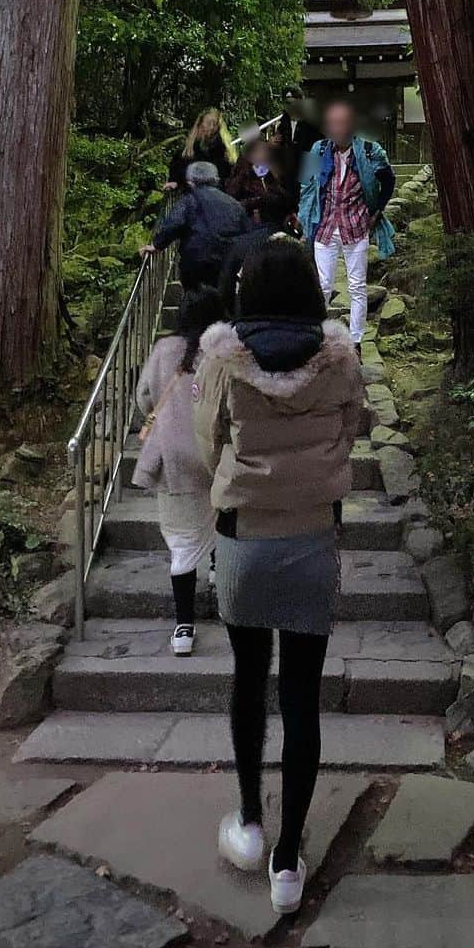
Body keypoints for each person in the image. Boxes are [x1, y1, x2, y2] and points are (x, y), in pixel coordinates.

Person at [192, 237, 363, 914]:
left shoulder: (222, 359)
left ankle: (248, 820)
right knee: (300, 696)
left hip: (244, 536)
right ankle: (288, 863)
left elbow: (209, 444)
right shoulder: (341, 359)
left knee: (246, 681)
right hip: (313, 534)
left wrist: (244, 478)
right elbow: (350, 433)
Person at [132, 286, 224, 656]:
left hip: (172, 461)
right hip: (215, 456)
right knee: (224, 519)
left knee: (182, 546)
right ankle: (221, 572)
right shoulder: (223, 353)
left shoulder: (162, 351)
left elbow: (143, 399)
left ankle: (184, 628)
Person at [298, 99, 396, 351]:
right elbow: (304, 184)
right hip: (326, 224)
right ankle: (316, 337)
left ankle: (356, 340)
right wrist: (303, 214)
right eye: (332, 124)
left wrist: (377, 210)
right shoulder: (318, 149)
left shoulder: (370, 150)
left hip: (356, 224)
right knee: (322, 284)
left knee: (356, 286)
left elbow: (388, 179)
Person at [142, 160, 250, 289]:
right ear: (215, 180)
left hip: (195, 259)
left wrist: (156, 245)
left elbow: (174, 224)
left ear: (190, 182)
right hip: (227, 260)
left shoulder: (189, 200)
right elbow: (246, 231)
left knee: (195, 295)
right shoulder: (234, 204)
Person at [218, 190, 298, 316]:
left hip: (247, 322)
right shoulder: (299, 249)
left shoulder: (239, 245)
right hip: (292, 323)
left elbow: (225, 291)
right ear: (289, 217)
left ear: (258, 215)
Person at [166, 108, 236, 191]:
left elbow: (230, 177)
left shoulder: (224, 152)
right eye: (208, 123)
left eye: (215, 123)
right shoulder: (188, 151)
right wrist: (174, 182)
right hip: (191, 195)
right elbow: (177, 171)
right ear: (200, 124)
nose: (211, 127)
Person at [274, 86, 321, 204]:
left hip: (307, 168)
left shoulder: (312, 121)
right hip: (288, 173)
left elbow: (319, 146)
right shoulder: (283, 123)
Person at [225, 137, 290, 219]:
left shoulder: (270, 173)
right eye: (262, 150)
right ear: (251, 156)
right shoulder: (241, 179)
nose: (267, 153)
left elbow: (284, 200)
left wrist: (277, 178)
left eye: (266, 150)